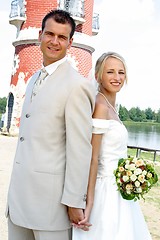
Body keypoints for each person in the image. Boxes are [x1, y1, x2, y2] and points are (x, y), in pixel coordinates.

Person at [6, 9, 95, 240]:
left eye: (62, 37)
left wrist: (75, 201)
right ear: (40, 35)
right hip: (18, 200)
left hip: (50, 206)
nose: (54, 41)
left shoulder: (77, 85)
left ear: (70, 43)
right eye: (50, 34)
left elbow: (80, 148)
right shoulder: (34, 78)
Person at [72, 52, 152, 239]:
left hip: (119, 189)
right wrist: (89, 202)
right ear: (99, 75)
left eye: (121, 72)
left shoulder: (111, 106)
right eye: (110, 72)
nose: (117, 78)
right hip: (105, 191)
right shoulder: (100, 106)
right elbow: (93, 158)